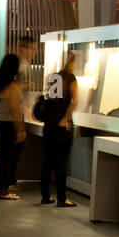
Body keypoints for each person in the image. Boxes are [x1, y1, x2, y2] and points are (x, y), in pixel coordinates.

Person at [41, 51, 79, 207]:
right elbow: (75, 100)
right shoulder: (71, 78)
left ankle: (45, 196)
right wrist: (65, 118)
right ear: (72, 62)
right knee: (61, 161)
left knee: (48, 160)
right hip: (63, 124)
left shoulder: (54, 77)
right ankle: (62, 198)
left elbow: (50, 99)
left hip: (49, 124)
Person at [0, 53, 26, 200]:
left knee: (0, 157)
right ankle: (3, 190)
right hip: (8, 124)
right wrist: (20, 129)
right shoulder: (13, 86)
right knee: (6, 158)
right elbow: (14, 109)